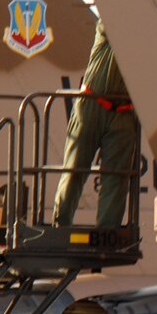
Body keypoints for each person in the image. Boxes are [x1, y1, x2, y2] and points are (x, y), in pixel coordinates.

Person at [50, 21, 136, 228]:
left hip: (123, 112)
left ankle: (107, 232)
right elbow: (114, 23)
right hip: (91, 104)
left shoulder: (148, 35)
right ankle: (60, 225)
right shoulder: (110, 20)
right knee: (75, 170)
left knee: (116, 178)